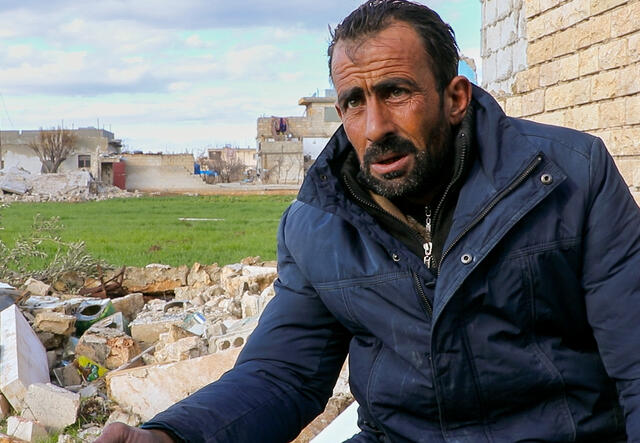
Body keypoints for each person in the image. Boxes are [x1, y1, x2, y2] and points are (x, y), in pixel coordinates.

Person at [97, 1, 640, 441]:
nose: (375, 125)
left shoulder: (569, 178)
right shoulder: (319, 225)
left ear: (455, 98)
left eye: (396, 92)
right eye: (354, 102)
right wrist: (173, 437)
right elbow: (284, 374)